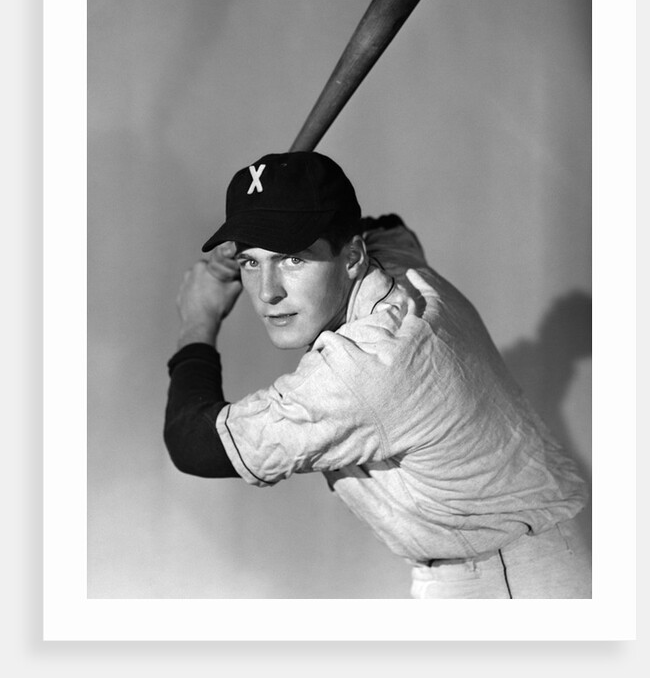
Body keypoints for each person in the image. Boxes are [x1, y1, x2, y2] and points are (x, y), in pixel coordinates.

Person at [164, 151, 591, 599]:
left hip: (507, 589)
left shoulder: (366, 367)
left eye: (293, 260)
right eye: (253, 263)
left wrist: (200, 318)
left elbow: (193, 445)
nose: (268, 292)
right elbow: (387, 224)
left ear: (351, 258)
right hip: (519, 564)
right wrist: (269, 226)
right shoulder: (398, 269)